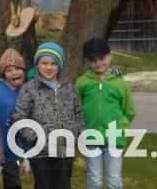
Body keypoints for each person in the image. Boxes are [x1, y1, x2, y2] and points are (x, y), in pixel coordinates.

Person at [13, 42, 84, 189]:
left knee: (63, 185)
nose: (49, 67)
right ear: (37, 65)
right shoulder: (29, 88)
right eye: (44, 63)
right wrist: (34, 137)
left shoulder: (68, 88)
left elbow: (78, 113)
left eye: (53, 63)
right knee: (43, 185)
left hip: (65, 150)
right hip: (40, 152)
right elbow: (20, 117)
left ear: (59, 65)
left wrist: (76, 134)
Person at [76, 37, 136, 189]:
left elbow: (130, 110)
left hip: (114, 139)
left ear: (110, 56)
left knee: (114, 180)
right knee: (94, 180)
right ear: (87, 61)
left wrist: (121, 127)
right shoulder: (82, 82)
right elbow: (76, 109)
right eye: (93, 60)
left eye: (101, 58)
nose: (98, 63)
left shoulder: (119, 83)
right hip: (91, 139)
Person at [0, 48, 27, 189]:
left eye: (18, 68)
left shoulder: (27, 93)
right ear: (3, 74)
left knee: (13, 182)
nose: (14, 73)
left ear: (24, 70)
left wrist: (26, 152)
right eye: (9, 70)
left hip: (12, 149)